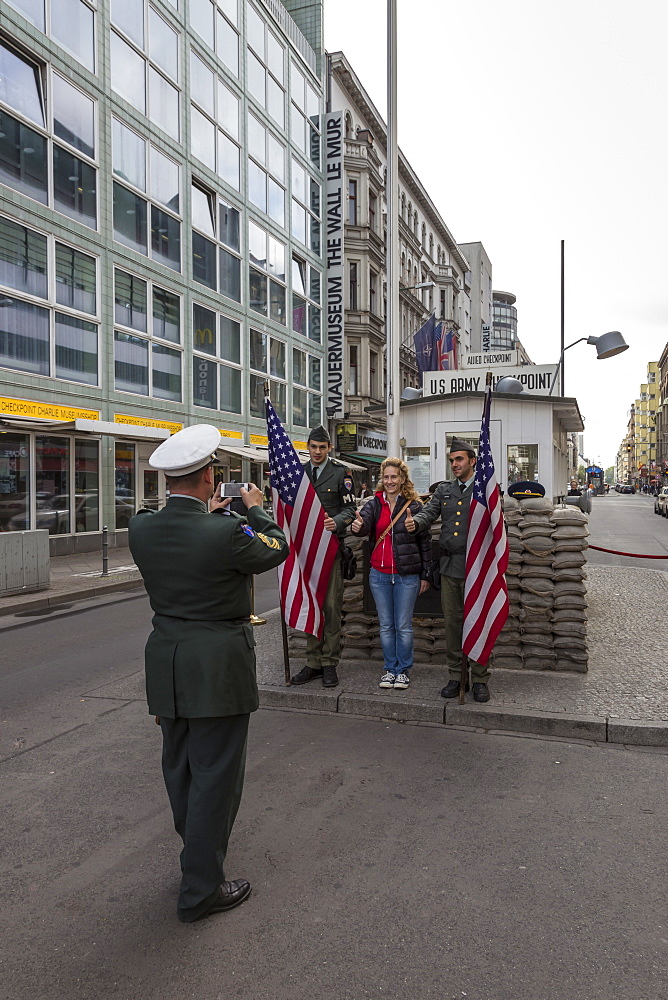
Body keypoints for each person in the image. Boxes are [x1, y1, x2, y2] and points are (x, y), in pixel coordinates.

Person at [128, 424, 289, 923]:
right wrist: (257, 507)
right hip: (216, 666)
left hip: (168, 663)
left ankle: (194, 859)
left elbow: (185, 542)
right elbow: (275, 547)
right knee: (216, 776)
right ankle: (200, 889)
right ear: (208, 478)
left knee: (180, 771)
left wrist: (215, 520)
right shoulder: (226, 533)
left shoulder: (141, 527)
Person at [408, 436, 491, 703]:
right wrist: (416, 523)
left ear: (472, 461)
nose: (454, 464)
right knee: (453, 625)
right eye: (451, 460)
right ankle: (456, 676)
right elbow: (429, 512)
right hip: (449, 567)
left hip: (476, 568)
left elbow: (498, 529)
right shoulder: (444, 490)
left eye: (459, 459)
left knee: (478, 623)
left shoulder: (485, 490)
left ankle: (479, 679)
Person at [351, 458, 431, 689]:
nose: (389, 481)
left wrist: (426, 574)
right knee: (386, 625)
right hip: (379, 575)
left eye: (394, 477)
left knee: (403, 625)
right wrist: (358, 528)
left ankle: (403, 671)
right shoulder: (374, 503)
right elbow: (364, 523)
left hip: (407, 576)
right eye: (386, 477)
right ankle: (390, 669)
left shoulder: (414, 506)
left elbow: (425, 542)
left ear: (403, 479)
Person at [291, 425, 357, 688]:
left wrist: (337, 522)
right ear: (307, 447)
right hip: (306, 552)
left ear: (329, 448)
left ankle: (329, 663)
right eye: (313, 447)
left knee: (330, 607)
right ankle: (312, 662)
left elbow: (350, 508)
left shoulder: (341, 473)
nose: (317, 452)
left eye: (322, 447)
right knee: (311, 606)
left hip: (330, 550)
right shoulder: (300, 473)